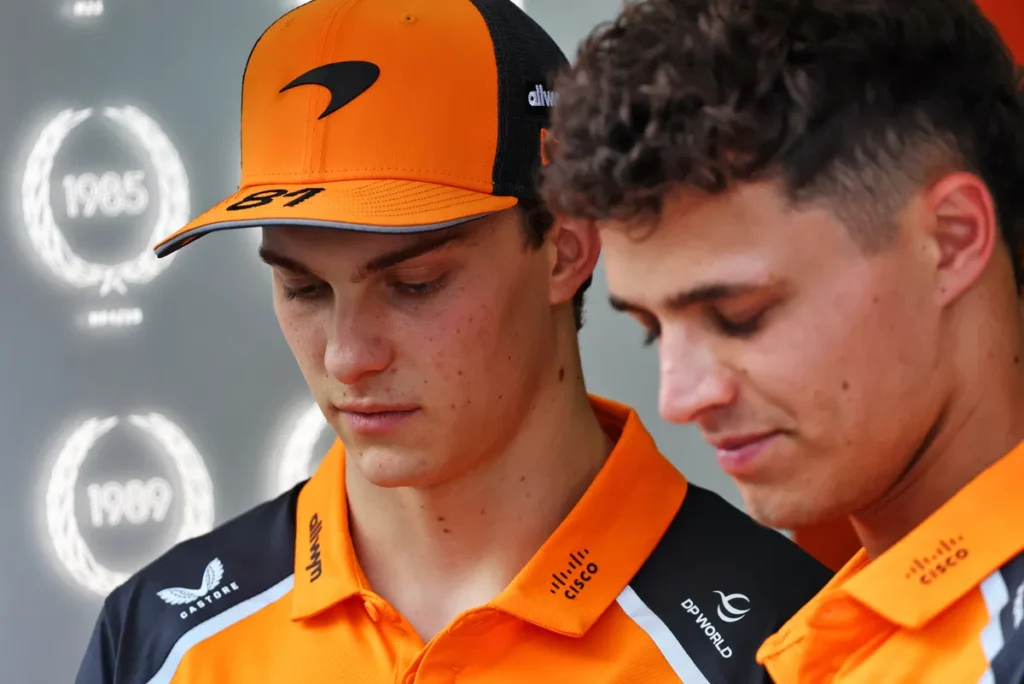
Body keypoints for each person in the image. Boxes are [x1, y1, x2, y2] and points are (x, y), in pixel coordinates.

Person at [72, 1, 832, 682]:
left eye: (415, 283)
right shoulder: (161, 634)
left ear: (565, 249)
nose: (346, 357)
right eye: (304, 288)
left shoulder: (790, 645)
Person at [540, 0, 1024, 681]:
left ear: (950, 240)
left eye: (740, 315)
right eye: (653, 332)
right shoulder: (823, 638)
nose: (679, 399)